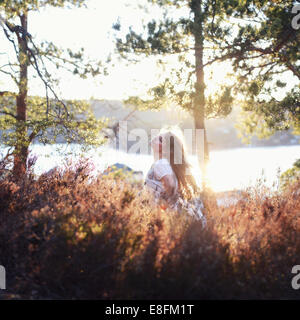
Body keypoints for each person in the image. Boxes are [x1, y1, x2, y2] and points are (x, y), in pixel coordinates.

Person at [145, 130, 206, 225]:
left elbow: (170, 184)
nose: (156, 138)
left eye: (161, 139)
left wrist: (169, 205)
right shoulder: (168, 165)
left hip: (167, 220)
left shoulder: (161, 163)